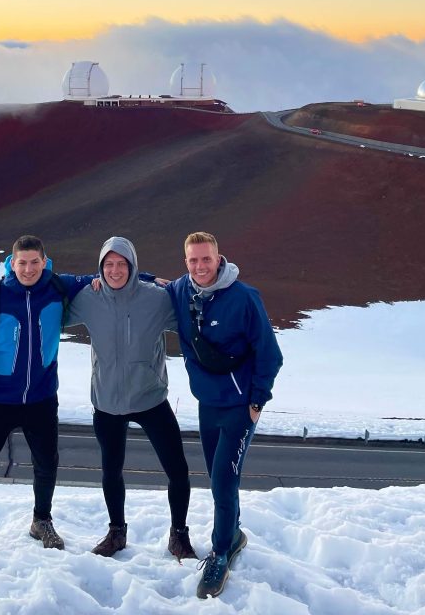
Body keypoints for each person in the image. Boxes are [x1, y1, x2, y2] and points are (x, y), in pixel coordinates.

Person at [0, 233, 93, 559]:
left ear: (44, 262)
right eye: (22, 263)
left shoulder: (58, 288)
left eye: (34, 263)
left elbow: (108, 277)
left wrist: (145, 277)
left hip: (41, 399)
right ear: (11, 263)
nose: (28, 269)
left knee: (47, 464)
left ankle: (41, 521)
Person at [164, 231, 283, 599]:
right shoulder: (181, 291)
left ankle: (220, 552)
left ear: (219, 259)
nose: (200, 266)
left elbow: (270, 354)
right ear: (186, 263)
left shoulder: (244, 298)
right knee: (217, 478)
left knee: (223, 481)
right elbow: (145, 284)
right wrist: (104, 281)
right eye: (193, 260)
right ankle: (233, 534)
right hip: (207, 404)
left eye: (206, 259)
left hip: (239, 407)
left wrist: (258, 401)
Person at [65, 236, 197, 561]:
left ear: (132, 265)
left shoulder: (156, 299)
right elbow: (54, 306)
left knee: (178, 470)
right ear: (100, 268)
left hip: (150, 398)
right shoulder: (88, 298)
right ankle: (116, 533)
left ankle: (179, 535)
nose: (115, 270)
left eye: (121, 263)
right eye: (108, 264)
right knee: (111, 471)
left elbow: (190, 310)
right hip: (107, 402)